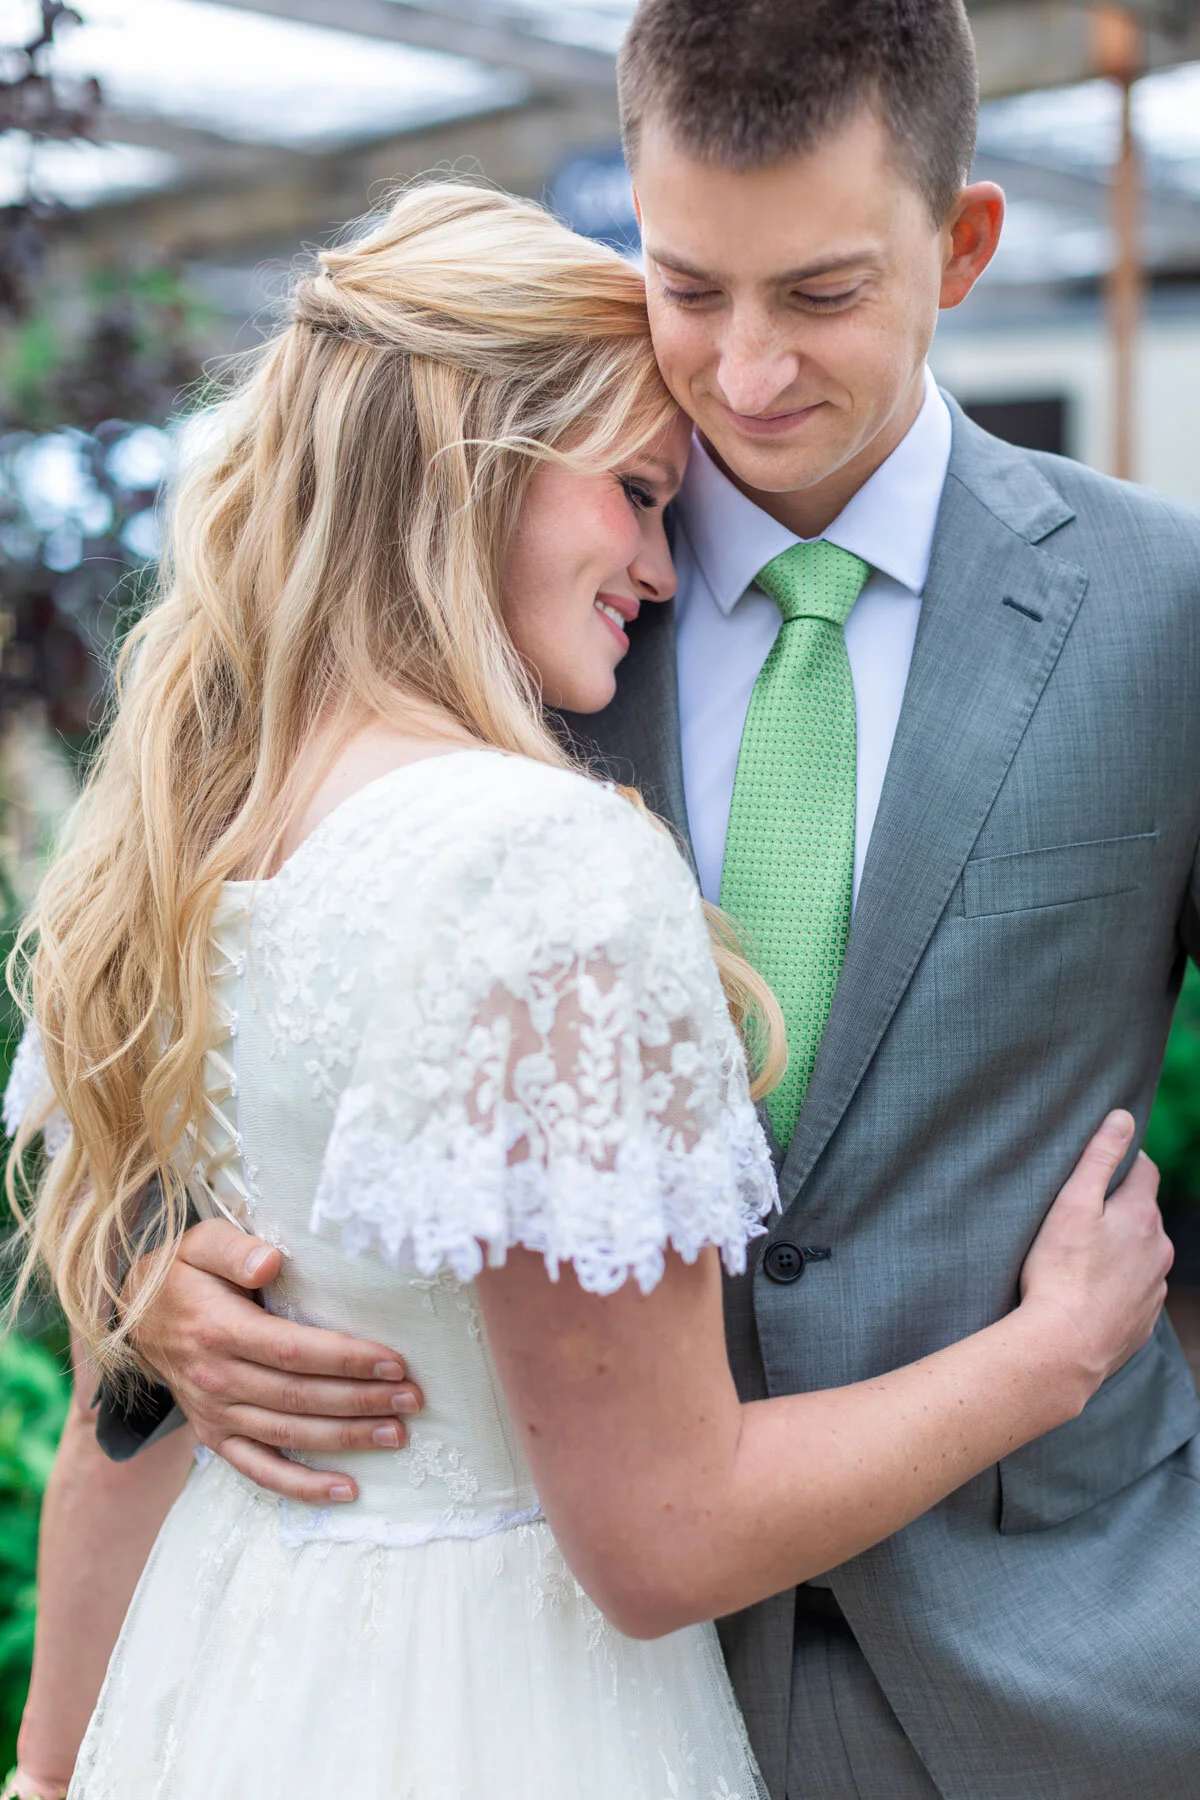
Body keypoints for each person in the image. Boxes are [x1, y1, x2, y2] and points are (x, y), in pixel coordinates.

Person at [48, 2, 1200, 1797]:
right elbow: (213, 1040)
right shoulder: (516, 628)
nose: (743, 374)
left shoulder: (1164, 612)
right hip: (581, 1684)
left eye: (821, 295)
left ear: (963, 244)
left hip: (1076, 1686)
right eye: (687, 287)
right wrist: (163, 1292)